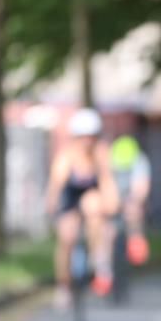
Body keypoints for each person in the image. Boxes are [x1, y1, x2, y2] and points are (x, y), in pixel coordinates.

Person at [45, 107, 120, 308]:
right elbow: (56, 185)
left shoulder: (101, 153)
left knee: (93, 204)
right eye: (83, 137)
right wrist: (51, 204)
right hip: (70, 199)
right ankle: (63, 286)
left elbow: (108, 182)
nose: (87, 141)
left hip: (93, 199)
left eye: (91, 137)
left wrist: (112, 203)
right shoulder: (66, 156)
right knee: (67, 238)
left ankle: (97, 257)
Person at [110, 134, 152, 266]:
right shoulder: (108, 159)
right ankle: (102, 266)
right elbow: (106, 185)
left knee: (134, 211)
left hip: (130, 201)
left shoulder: (140, 161)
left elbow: (141, 189)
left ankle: (135, 239)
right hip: (113, 199)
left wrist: (133, 202)